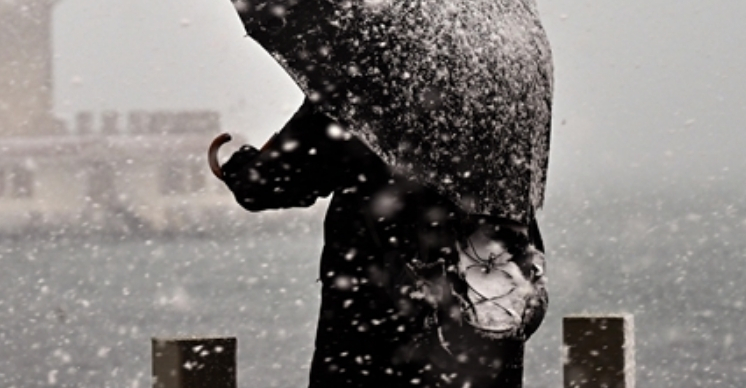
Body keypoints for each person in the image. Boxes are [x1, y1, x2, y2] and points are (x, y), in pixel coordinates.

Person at [216, 100, 535, 388]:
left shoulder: (361, 88)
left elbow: (268, 185)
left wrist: (242, 166)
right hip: (481, 339)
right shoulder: (500, 108)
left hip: (374, 330)